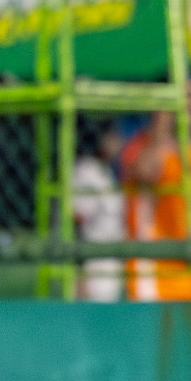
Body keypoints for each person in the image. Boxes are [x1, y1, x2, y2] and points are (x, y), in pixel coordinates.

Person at [121, 83, 191, 301]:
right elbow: (144, 170)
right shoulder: (146, 145)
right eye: (187, 98)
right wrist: (164, 119)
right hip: (154, 275)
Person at [72, 121, 126, 302]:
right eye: (113, 136)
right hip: (92, 268)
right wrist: (80, 275)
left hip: (111, 266)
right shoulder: (86, 171)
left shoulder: (107, 171)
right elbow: (75, 224)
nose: (119, 141)